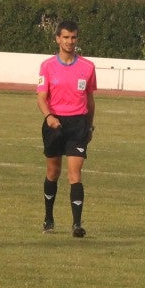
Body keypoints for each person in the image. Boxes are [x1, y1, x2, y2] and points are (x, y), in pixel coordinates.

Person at [38, 20, 96, 237]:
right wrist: (49, 116)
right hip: (54, 123)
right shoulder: (47, 66)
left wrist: (89, 126)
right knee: (53, 172)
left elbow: (90, 99)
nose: (70, 41)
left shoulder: (88, 67)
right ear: (57, 39)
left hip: (78, 125)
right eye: (65, 37)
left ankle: (77, 224)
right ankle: (48, 218)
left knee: (75, 173)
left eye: (73, 37)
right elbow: (41, 98)